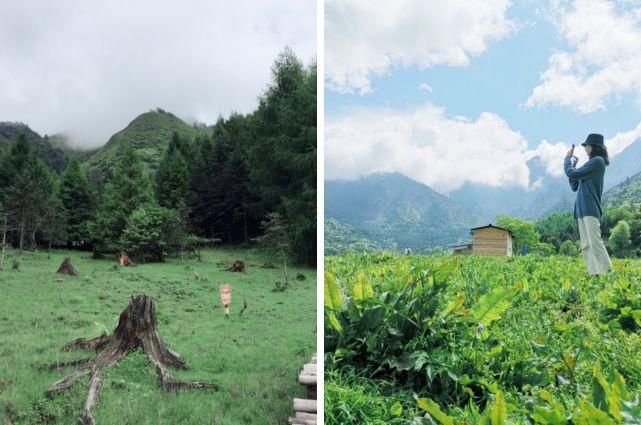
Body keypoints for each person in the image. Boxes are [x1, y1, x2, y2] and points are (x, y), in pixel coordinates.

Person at [564, 133, 612, 276]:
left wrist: (567, 159)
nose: (585, 148)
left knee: (595, 243)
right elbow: (574, 184)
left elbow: (570, 174)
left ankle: (608, 273)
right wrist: (573, 166)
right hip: (581, 209)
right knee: (585, 245)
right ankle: (594, 274)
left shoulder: (597, 161)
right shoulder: (592, 163)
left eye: (587, 146)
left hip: (590, 208)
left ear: (594, 147)